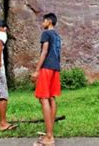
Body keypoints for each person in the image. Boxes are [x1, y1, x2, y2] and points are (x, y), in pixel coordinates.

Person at [31, 13, 62, 146]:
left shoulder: (46, 34)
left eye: (43, 21)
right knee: (51, 98)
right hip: (56, 68)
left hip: (47, 68)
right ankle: (50, 133)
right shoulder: (57, 36)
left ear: (49, 22)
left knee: (43, 98)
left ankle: (49, 137)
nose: (42, 23)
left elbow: (44, 51)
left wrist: (37, 70)